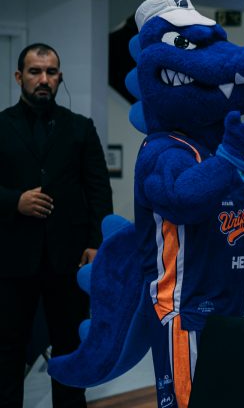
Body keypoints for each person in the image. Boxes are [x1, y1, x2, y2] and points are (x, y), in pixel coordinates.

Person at [0, 43, 113, 407]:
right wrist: (15, 201)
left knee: (70, 347)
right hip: (12, 259)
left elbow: (98, 190)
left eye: (51, 72)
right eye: (35, 72)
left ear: (60, 77)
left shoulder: (80, 128)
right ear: (19, 77)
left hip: (69, 259)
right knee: (7, 350)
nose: (43, 79)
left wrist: (97, 243)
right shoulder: (1, 126)